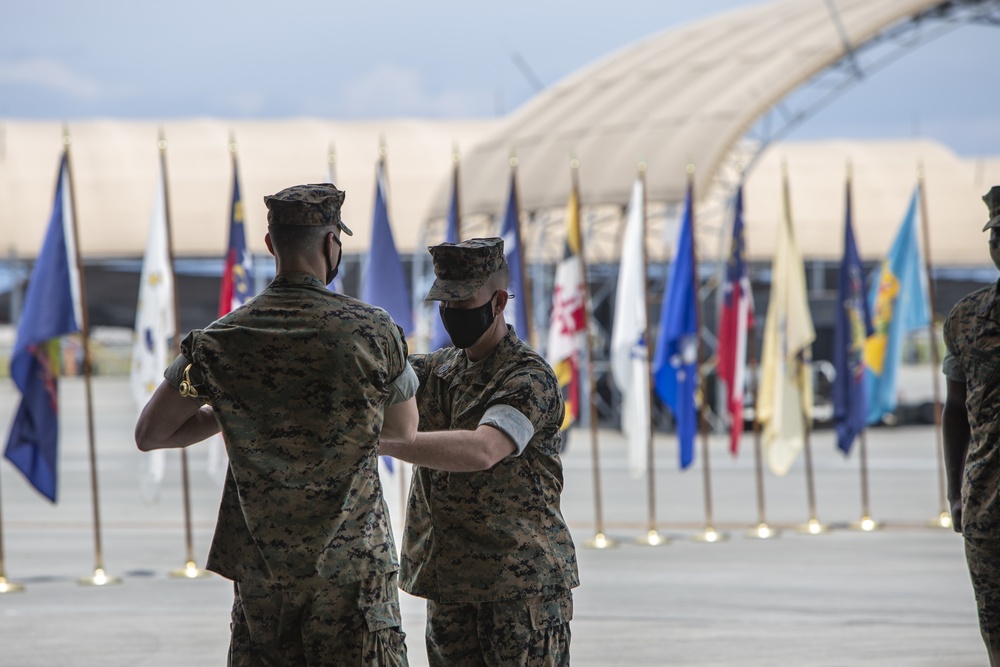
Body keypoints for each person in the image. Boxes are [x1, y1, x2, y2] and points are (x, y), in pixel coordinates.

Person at [135, 183, 418, 666]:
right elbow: (401, 433)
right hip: (351, 573)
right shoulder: (373, 330)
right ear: (333, 243)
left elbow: (152, 434)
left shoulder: (219, 341)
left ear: (270, 245)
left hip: (263, 577)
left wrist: (232, 413)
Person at [379, 237, 579, 667]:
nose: (452, 313)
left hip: (518, 590)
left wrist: (386, 442)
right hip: (450, 585)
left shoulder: (529, 377)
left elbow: (485, 449)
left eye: (463, 301)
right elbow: (368, 388)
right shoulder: (436, 369)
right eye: (443, 302)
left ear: (499, 301)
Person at [942, 185, 1000, 666]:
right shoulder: (966, 318)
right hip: (988, 507)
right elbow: (954, 407)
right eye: (995, 235)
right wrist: (955, 493)